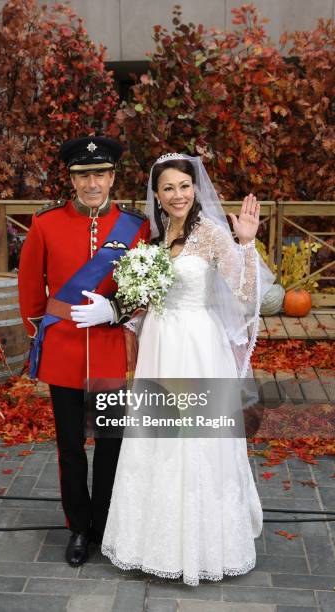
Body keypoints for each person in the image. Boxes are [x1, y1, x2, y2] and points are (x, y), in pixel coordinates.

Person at [101, 153, 275, 586]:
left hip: (197, 346)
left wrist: (248, 243)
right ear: (157, 196)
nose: (178, 195)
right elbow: (150, 298)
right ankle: (151, 543)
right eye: (168, 188)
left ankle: (202, 548)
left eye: (184, 186)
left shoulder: (212, 234)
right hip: (159, 344)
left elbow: (245, 295)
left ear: (195, 189)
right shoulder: (157, 238)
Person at [17, 136, 150, 567]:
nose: (92, 183)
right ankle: (78, 526)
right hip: (64, 352)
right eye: (83, 175)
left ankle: (105, 523)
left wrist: (116, 310)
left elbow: (147, 287)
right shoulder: (46, 224)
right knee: (70, 446)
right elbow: (29, 287)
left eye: (100, 174)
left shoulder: (136, 227)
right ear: (71, 179)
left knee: (110, 443)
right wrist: (41, 331)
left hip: (112, 349)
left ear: (112, 177)